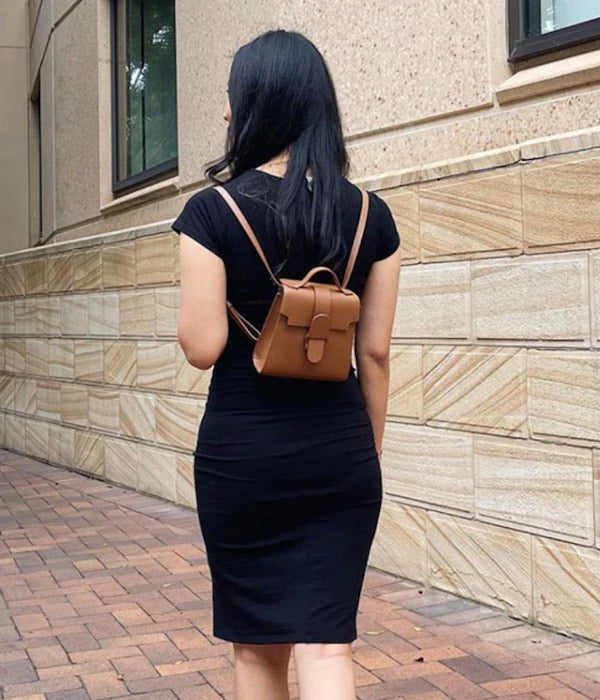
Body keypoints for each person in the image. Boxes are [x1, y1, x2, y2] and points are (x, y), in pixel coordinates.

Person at [172, 28, 401, 700]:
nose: (224, 110)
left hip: (244, 457)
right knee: (327, 646)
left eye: (230, 96)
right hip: (341, 454)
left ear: (256, 103)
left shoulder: (210, 212)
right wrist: (367, 450)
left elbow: (202, 347)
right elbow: (375, 352)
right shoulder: (372, 216)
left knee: (258, 651)